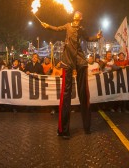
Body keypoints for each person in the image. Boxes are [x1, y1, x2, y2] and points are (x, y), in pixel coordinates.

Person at [42, 11, 102, 139]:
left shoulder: (81, 29)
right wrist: (48, 26)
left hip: (80, 60)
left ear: (81, 17)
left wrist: (97, 37)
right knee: (66, 94)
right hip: (68, 60)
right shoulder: (68, 25)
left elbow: (88, 39)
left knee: (84, 93)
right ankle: (63, 130)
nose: (76, 14)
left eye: (78, 13)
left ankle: (87, 127)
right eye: (75, 13)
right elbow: (57, 29)